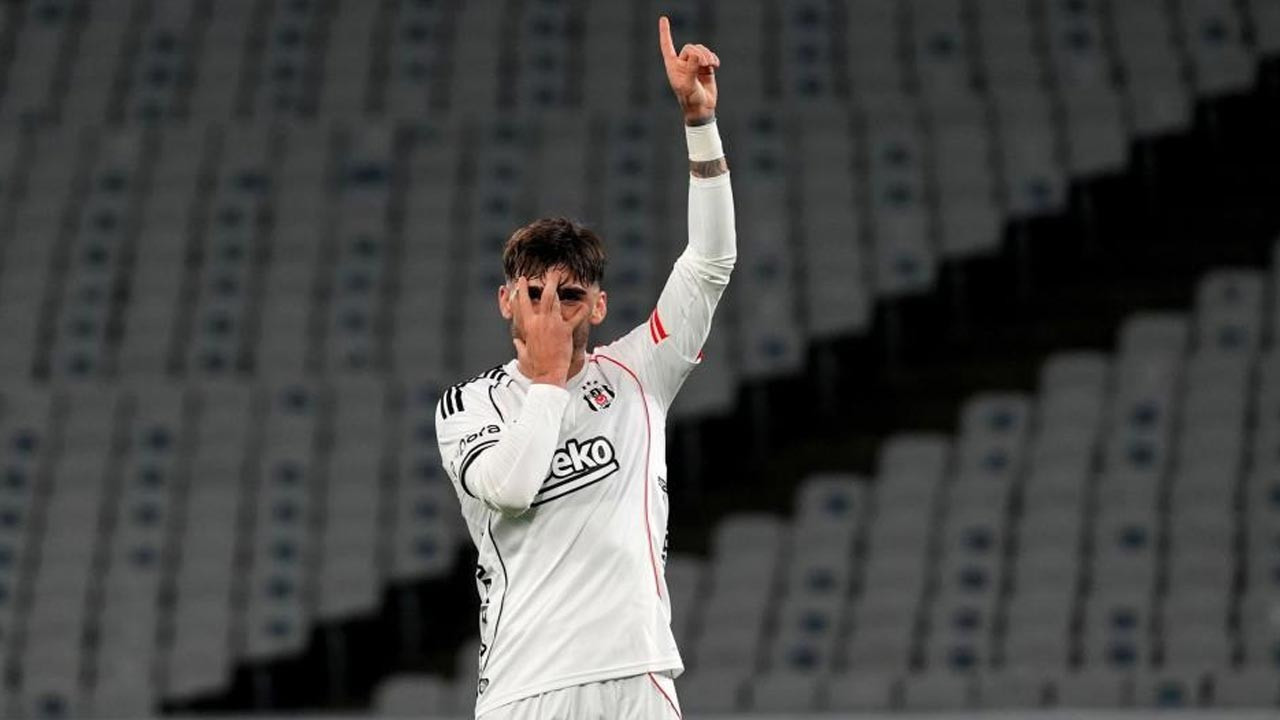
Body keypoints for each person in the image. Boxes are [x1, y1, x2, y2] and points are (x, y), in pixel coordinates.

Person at [434, 16, 735, 719]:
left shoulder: (638, 373)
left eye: (569, 296)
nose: (552, 311)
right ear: (505, 299)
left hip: (637, 675)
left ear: (598, 305)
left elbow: (711, 263)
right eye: (534, 294)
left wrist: (700, 125)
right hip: (525, 688)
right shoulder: (469, 405)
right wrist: (545, 381)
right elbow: (511, 490)